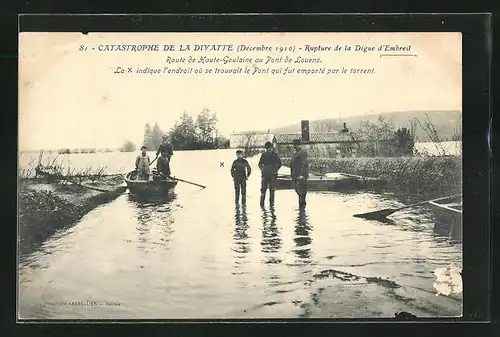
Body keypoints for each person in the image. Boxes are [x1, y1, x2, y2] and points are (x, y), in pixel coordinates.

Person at [258, 141, 282, 206]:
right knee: (263, 190)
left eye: (270, 148)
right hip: (265, 175)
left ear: (272, 148)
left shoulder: (275, 155)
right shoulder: (263, 155)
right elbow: (259, 164)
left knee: (272, 190)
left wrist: (275, 170)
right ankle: (262, 204)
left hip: (272, 175)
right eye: (267, 148)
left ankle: (271, 205)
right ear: (266, 148)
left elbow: (280, 164)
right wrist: (262, 170)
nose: (269, 149)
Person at [290, 139, 309, 208]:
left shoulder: (302, 153)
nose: (294, 147)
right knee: (299, 192)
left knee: (302, 193)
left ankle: (302, 212)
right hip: (296, 176)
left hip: (301, 177)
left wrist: (302, 175)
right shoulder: (296, 153)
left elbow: (304, 164)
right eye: (294, 145)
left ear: (299, 145)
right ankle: (302, 212)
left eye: (295, 145)